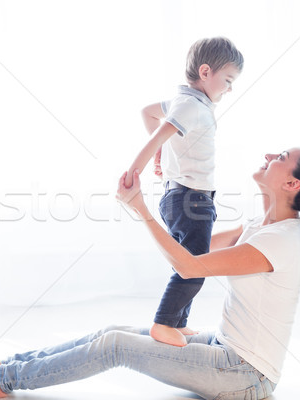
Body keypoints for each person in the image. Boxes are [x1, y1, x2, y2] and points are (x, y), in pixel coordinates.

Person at [0, 147, 300, 400]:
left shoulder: (277, 242)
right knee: (111, 331)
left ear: (291, 183)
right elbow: (192, 250)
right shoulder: (261, 225)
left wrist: (141, 209)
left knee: (115, 345)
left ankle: (7, 380)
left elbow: (188, 266)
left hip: (245, 376)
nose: (269, 153)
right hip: (224, 349)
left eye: (281, 156)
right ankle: (8, 367)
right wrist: (172, 184)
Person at [125, 37, 244, 346]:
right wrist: (136, 170)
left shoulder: (185, 100)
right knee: (194, 266)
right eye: (228, 80)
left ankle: (178, 322)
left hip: (182, 196)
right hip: (191, 197)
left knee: (190, 260)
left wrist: (164, 155)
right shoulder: (191, 105)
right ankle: (164, 323)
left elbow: (148, 112)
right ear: (205, 72)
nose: (229, 89)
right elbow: (158, 134)